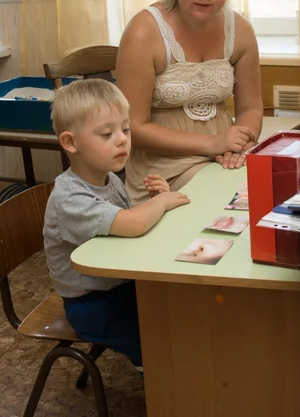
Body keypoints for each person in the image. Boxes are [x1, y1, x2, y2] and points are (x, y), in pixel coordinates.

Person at [43, 79, 190, 372]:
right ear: (71, 142)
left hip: (118, 285)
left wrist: (155, 199)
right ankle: (166, 389)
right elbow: (132, 224)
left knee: (179, 313)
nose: (122, 139)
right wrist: (159, 205)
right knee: (160, 346)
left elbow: (124, 224)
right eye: (107, 133)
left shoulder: (108, 179)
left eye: (125, 129)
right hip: (91, 306)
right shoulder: (70, 197)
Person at [116, 0, 263, 205]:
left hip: (224, 159)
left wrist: (240, 144)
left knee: (271, 193)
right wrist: (210, 143)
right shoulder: (144, 33)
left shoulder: (241, 31)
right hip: (161, 172)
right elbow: (134, 125)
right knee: (233, 203)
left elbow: (251, 107)